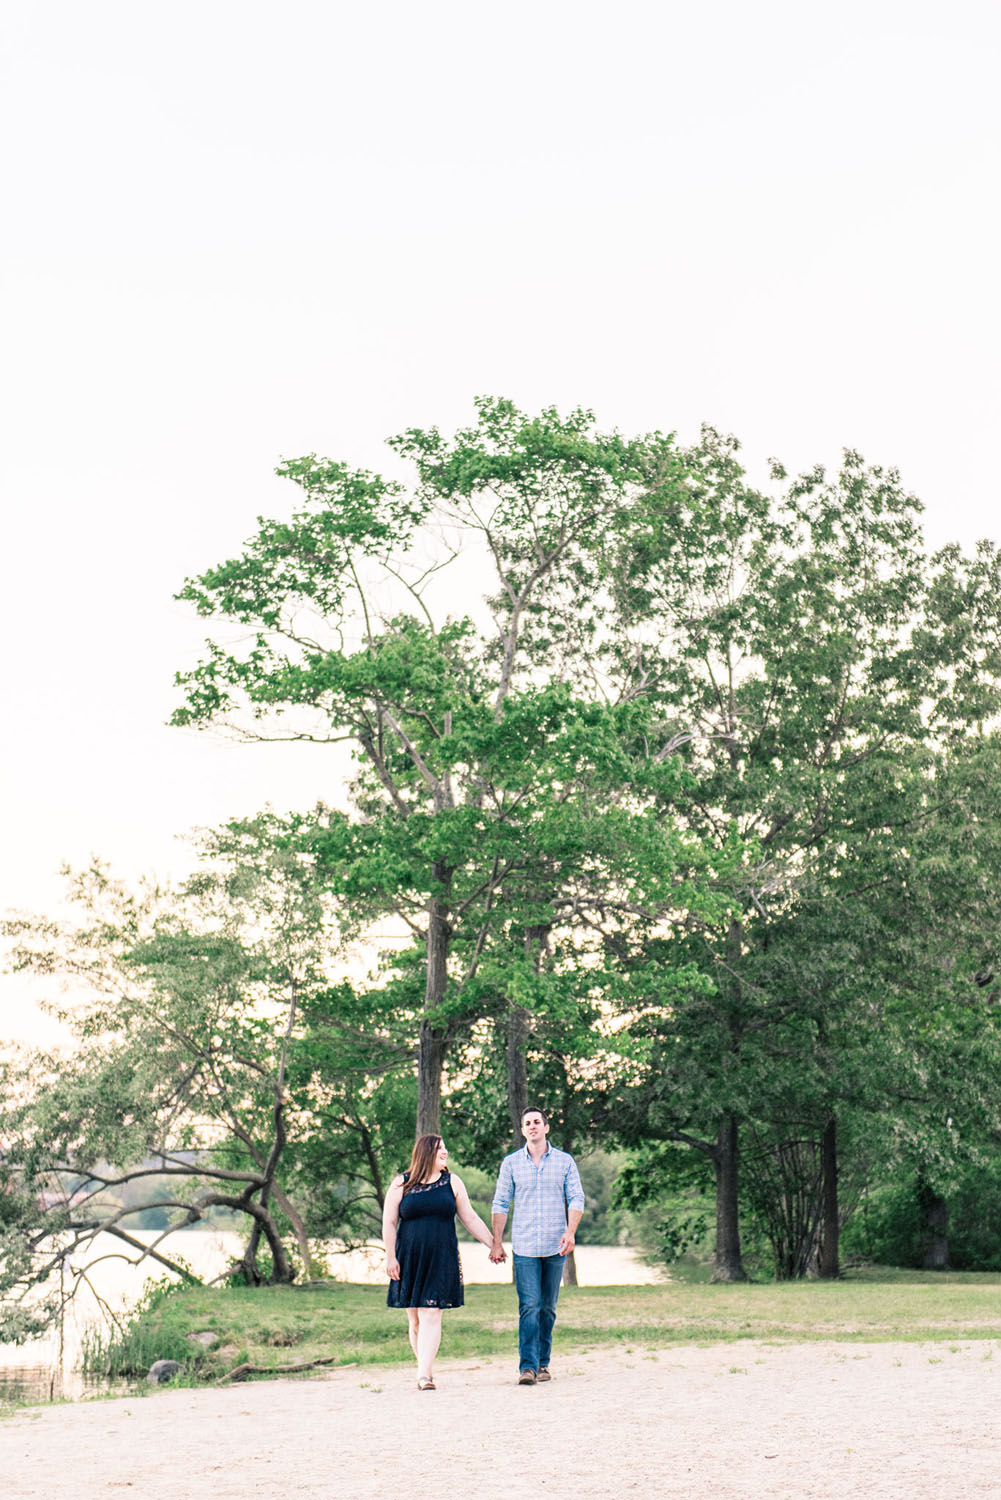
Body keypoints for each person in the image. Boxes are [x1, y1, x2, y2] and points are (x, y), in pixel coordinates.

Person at [383, 1133, 502, 1390]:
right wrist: (390, 1256)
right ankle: (422, 1368)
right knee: (414, 1318)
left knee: (432, 1312)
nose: (445, 1152)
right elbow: (389, 1222)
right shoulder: (400, 1184)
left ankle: (425, 1375)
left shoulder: (452, 1182)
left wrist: (493, 1244)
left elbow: (469, 1218)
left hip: (441, 1255)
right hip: (409, 1257)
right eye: (440, 1149)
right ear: (426, 1153)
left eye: (445, 1148)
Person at [491, 1106, 585, 1385]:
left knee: (548, 1308)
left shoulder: (565, 1162)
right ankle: (528, 1367)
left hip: (556, 1246)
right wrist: (497, 1241)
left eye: (537, 1122)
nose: (532, 1126)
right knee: (529, 1306)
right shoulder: (511, 1164)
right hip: (525, 1247)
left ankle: (543, 1363)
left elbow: (576, 1197)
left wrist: (570, 1232)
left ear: (546, 1127)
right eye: (527, 1123)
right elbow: (500, 1202)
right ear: (522, 1130)